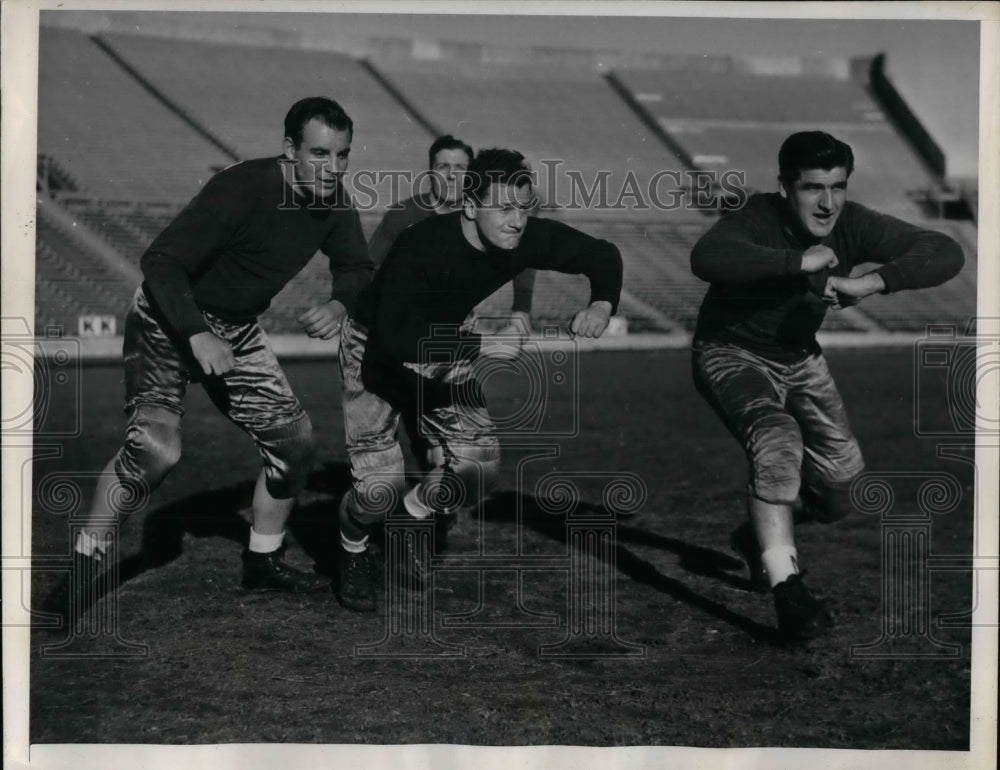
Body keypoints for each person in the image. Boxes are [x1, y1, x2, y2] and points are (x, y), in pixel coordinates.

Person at [49, 97, 373, 624]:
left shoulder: (336, 202)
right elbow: (162, 261)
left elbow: (358, 266)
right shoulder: (244, 187)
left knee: (295, 446)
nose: (332, 169)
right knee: (156, 451)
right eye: (319, 154)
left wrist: (340, 302)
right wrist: (196, 334)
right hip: (167, 319)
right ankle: (84, 567)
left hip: (235, 330)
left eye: (342, 156)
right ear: (290, 150)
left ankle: (262, 561)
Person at [689, 131, 964, 643]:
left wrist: (873, 281)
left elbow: (945, 250)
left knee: (841, 493)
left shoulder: (854, 222)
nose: (828, 202)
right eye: (814, 188)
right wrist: (798, 262)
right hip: (732, 354)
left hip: (801, 358)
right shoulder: (757, 218)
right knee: (777, 441)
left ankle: (757, 537)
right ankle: (788, 592)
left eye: (838, 186)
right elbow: (707, 257)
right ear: (785, 187)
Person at [334, 147, 623, 612]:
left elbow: (601, 253)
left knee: (477, 469)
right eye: (504, 208)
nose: (517, 221)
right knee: (376, 491)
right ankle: (351, 550)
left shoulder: (521, 237)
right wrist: (482, 346)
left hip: (447, 342)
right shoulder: (420, 245)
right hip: (375, 349)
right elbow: (396, 337)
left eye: (523, 208)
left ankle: (410, 519)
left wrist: (602, 304)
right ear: (470, 206)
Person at [368, 134, 536, 336]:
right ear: (430, 172)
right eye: (442, 167)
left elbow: (523, 251)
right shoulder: (404, 215)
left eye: (460, 168)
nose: (451, 175)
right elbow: (369, 267)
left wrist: (521, 310)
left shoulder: (482, 218)